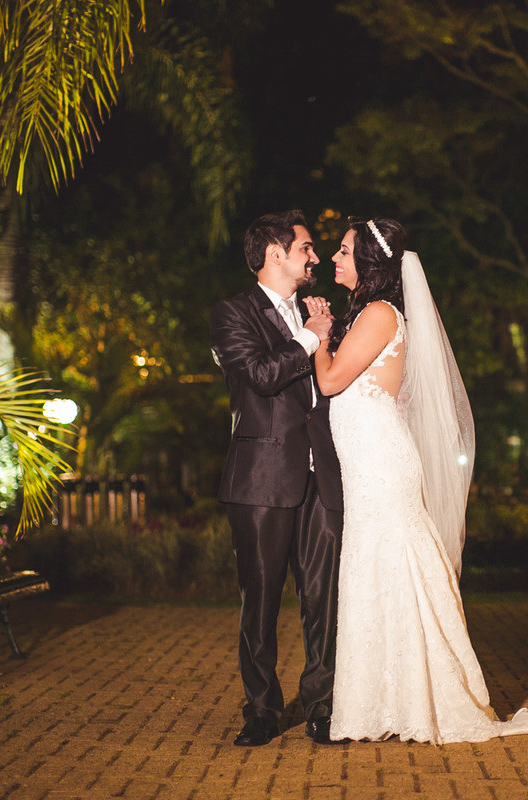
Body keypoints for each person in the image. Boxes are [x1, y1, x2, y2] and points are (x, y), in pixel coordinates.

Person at [305, 217, 528, 744]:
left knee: (393, 570)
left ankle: (417, 701)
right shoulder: (373, 314)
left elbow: (328, 380)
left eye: (344, 251)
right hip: (370, 464)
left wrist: (320, 337)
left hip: (380, 466)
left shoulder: (377, 314)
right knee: (376, 575)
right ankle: (381, 703)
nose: (333, 259)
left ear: (369, 262)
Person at [210, 210, 345, 747]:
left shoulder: (320, 313)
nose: (316, 257)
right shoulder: (232, 314)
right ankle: (263, 710)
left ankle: (321, 706)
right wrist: (312, 339)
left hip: (322, 476)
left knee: (323, 599)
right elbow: (263, 377)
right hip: (261, 478)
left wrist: (325, 334)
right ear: (275, 254)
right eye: (307, 248)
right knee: (260, 602)